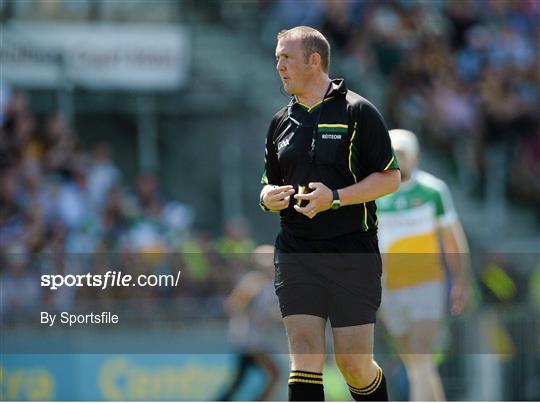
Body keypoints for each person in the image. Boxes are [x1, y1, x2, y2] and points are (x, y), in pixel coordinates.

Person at [259, 26, 400, 401]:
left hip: (351, 250)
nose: (279, 67)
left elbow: (389, 178)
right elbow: (267, 184)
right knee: (304, 356)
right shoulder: (279, 123)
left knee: (354, 364)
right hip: (296, 250)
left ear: (314, 60)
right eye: (277, 60)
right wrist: (268, 197)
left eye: (286, 58)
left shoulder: (359, 111)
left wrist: (335, 197)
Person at [376, 129, 471, 401]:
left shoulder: (432, 190)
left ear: (416, 157)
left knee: (419, 352)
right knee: (417, 363)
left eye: (402, 153)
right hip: (389, 288)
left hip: (427, 284)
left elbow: (453, 239)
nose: (396, 158)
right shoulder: (375, 194)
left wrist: (461, 281)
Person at [219, 244, 281, 401]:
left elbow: (273, 311)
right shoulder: (254, 281)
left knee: (239, 381)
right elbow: (233, 305)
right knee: (275, 374)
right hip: (249, 338)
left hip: (258, 338)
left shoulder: (273, 283)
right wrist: (255, 316)